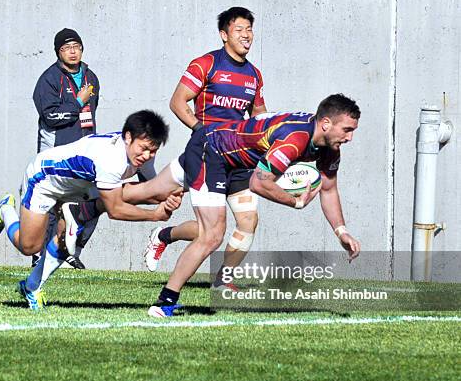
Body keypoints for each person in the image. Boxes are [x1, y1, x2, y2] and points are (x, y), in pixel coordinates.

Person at [144, 94, 362, 317]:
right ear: (326, 124)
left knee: (146, 193)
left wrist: (341, 231)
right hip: (211, 150)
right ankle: (164, 302)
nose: (350, 137)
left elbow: (328, 189)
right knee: (211, 234)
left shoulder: (329, 148)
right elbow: (259, 183)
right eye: (347, 129)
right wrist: (295, 201)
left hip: (236, 162)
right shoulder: (295, 138)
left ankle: (212, 275)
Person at [0, 110, 181, 310]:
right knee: (30, 247)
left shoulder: (140, 156)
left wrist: (169, 198)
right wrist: (155, 215)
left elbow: (151, 189)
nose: (147, 155)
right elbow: (115, 210)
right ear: (128, 137)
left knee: (66, 242)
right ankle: (5, 211)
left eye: (153, 150)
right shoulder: (111, 159)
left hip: (81, 187)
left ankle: (31, 287)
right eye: (144, 148)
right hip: (44, 180)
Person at [143, 6, 266, 274]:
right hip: (206, 157)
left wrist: (267, 140)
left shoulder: (254, 75)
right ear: (224, 35)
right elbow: (178, 102)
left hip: (238, 159)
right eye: (239, 30)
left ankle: (224, 278)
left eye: (249, 30)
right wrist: (202, 131)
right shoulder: (206, 64)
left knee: (248, 221)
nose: (246, 35)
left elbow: (258, 115)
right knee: (207, 228)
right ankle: (163, 235)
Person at [33, 28, 100, 269]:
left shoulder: (91, 77)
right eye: (66, 48)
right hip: (56, 151)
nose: (72, 52)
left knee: (94, 200)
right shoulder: (49, 78)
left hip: (85, 151)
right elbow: (51, 116)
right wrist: (77, 102)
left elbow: (91, 114)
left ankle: (71, 251)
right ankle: (41, 254)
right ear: (58, 52)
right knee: (52, 205)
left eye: (76, 47)